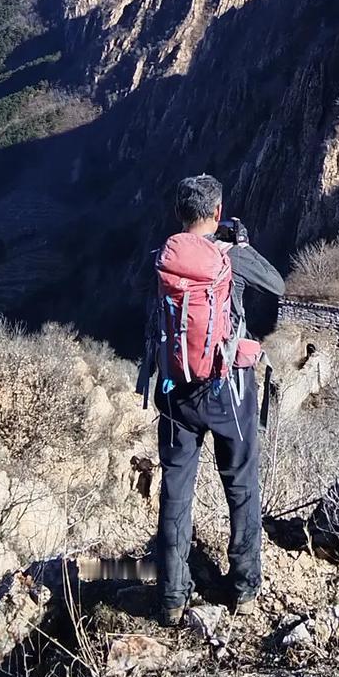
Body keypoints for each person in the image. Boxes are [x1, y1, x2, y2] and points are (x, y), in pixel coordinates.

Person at [143, 174, 284, 626]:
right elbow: (277, 284)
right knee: (241, 486)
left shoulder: (162, 258)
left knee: (175, 491)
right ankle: (243, 588)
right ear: (218, 213)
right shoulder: (230, 258)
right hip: (227, 389)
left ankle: (171, 596)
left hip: (173, 391)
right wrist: (239, 245)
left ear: (179, 214)